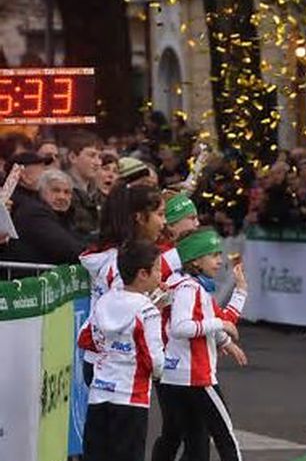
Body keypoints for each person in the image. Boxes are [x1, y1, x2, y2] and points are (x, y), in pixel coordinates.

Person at [155, 228, 247, 461]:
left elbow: (222, 320)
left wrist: (240, 292)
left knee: (195, 443)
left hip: (176, 376)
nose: (220, 260)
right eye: (213, 254)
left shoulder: (183, 284)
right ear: (195, 259)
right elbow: (181, 326)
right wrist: (220, 326)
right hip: (197, 375)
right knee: (225, 437)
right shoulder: (190, 288)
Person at [77, 239, 165, 461]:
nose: (161, 275)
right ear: (142, 274)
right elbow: (155, 361)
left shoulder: (104, 301)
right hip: (131, 397)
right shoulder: (147, 311)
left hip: (99, 394)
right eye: (157, 269)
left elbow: (84, 337)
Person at [79, 186, 166, 386]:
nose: (164, 222)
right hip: (114, 367)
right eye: (160, 214)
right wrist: (152, 305)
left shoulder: (122, 257)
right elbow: (119, 315)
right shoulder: (120, 262)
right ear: (139, 217)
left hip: (111, 363)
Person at [5, 169, 85, 267]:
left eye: (67, 192)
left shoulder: (66, 217)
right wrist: (94, 256)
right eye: (56, 190)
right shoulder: (34, 213)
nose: (62, 197)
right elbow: (66, 248)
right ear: (41, 191)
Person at [64, 130, 103, 239]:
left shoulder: (97, 192)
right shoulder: (61, 190)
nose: (98, 162)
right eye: (92, 156)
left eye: (99, 157)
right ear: (72, 157)